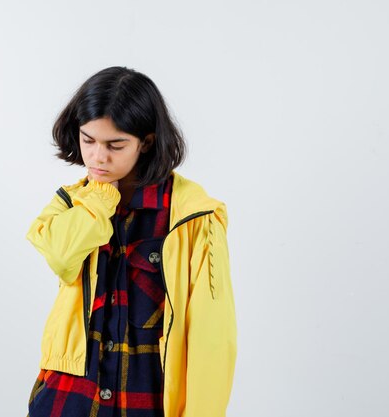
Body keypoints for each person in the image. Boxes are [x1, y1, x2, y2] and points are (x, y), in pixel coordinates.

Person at [24, 66, 237, 417]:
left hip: (149, 397)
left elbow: (212, 338)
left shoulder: (194, 218)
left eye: (115, 145)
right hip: (70, 397)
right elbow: (62, 258)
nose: (97, 157)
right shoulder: (72, 203)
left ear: (147, 142)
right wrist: (99, 199)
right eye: (88, 140)